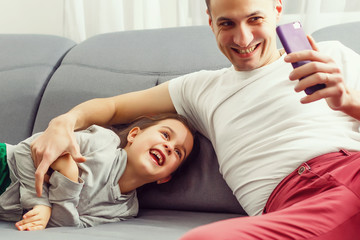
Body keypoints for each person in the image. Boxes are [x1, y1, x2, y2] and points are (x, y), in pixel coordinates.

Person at [30, 0, 360, 238]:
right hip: (293, 210)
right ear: (211, 21)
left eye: (255, 19)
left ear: (277, 9)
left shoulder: (329, 55)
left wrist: (349, 104)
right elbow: (113, 108)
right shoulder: (200, 88)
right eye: (227, 23)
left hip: (349, 169)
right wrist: (64, 122)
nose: (243, 39)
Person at [0, 113, 194, 231]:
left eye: (178, 152)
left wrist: (69, 176)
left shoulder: (125, 211)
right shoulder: (103, 142)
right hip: (6, 165)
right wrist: (39, 203)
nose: (169, 147)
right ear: (134, 135)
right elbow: (28, 148)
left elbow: (66, 226)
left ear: (166, 177)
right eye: (165, 135)